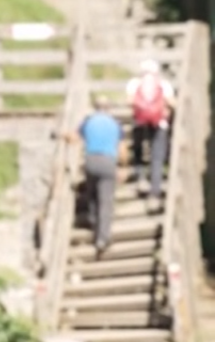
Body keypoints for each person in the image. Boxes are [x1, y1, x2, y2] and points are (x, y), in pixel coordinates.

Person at [69, 95, 122, 253]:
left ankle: (93, 220)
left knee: (92, 194)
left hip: (91, 160)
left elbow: (74, 138)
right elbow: (122, 148)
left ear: (95, 107)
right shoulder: (115, 123)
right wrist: (122, 166)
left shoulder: (88, 121)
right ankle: (102, 238)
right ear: (108, 107)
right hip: (108, 161)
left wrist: (61, 135)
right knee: (106, 200)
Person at [125, 59, 174, 210]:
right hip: (160, 124)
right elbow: (171, 102)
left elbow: (129, 101)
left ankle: (140, 179)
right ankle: (155, 193)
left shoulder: (134, 84)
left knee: (138, 151)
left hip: (139, 123)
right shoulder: (164, 85)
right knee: (157, 158)